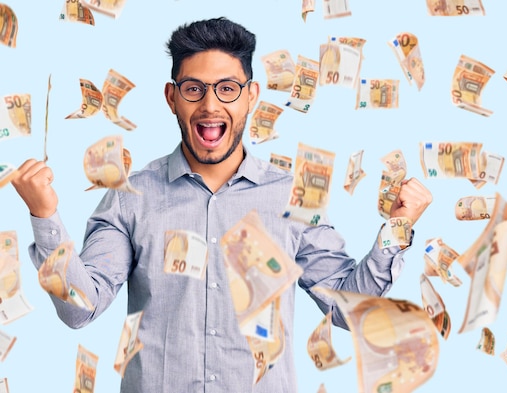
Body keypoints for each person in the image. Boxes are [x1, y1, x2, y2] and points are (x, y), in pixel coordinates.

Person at [11, 17, 432, 393]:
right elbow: (78, 309)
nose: (210, 105)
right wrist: (44, 215)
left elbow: (349, 310)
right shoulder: (129, 198)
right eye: (193, 89)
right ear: (171, 98)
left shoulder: (295, 197)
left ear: (251, 96)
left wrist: (397, 228)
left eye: (227, 89)